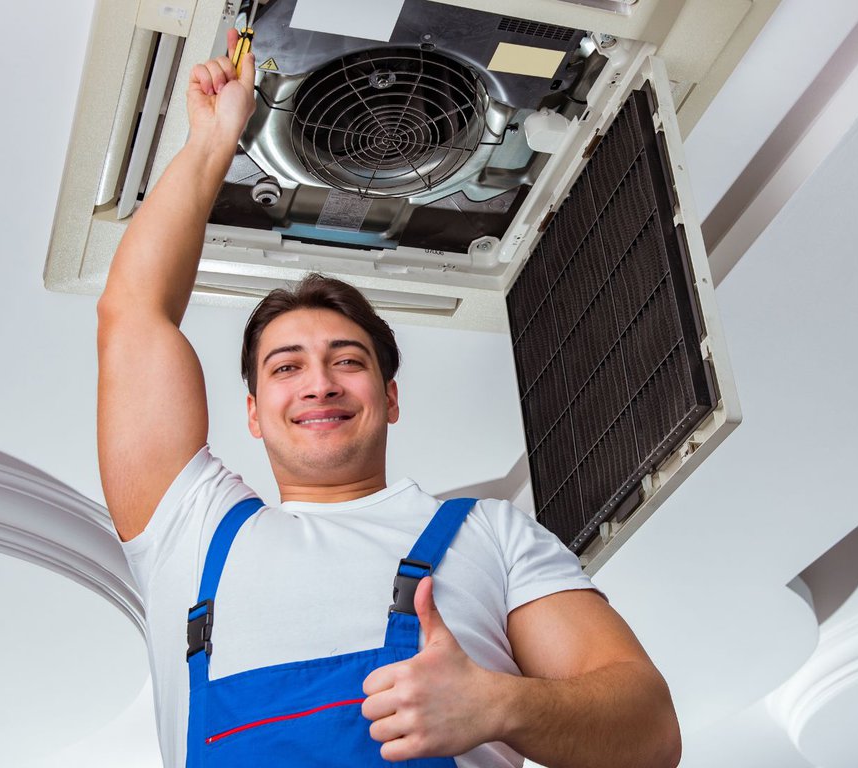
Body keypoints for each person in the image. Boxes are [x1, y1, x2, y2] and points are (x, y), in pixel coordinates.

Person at [96, 30, 681, 768]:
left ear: (389, 396)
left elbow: (649, 735)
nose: (319, 383)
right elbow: (134, 313)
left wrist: (499, 704)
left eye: (347, 360)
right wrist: (212, 141)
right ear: (250, 411)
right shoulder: (190, 530)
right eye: (285, 367)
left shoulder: (492, 536)